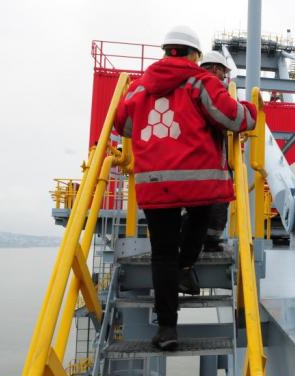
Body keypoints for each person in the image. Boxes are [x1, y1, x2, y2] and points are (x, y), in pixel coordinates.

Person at [113, 25, 256, 351]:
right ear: (194, 55)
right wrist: (253, 112)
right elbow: (232, 117)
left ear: (166, 51)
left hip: (152, 182)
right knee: (199, 219)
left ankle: (167, 329)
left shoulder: (138, 88)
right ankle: (187, 265)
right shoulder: (200, 81)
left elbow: (124, 124)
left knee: (161, 255)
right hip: (197, 180)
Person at [200, 51, 232, 252]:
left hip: (189, 159)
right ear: (214, 69)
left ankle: (189, 242)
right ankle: (210, 242)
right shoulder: (212, 89)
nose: (223, 77)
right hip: (211, 158)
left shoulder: (187, 86)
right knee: (219, 201)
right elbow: (231, 117)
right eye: (222, 72)